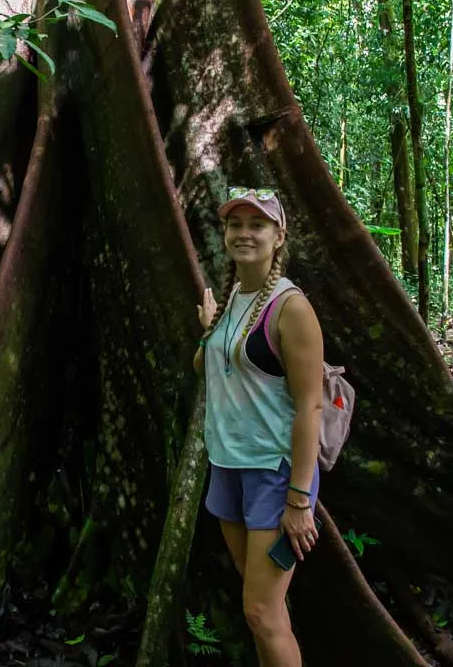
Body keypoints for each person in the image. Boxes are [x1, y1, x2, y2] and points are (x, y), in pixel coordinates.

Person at [194, 187, 324, 667]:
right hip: (227, 467)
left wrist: (299, 499)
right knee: (261, 613)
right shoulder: (234, 297)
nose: (244, 233)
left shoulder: (290, 307)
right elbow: (210, 372)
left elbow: (311, 407)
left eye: (257, 225)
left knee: (261, 611)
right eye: (235, 224)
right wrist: (208, 329)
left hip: (274, 474)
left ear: (278, 235)